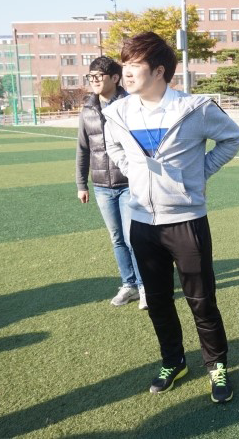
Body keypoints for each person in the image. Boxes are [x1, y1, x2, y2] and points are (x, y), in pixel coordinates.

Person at [103, 32, 239, 402]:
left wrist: (197, 174)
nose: (126, 72)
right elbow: (113, 147)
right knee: (158, 301)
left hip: (187, 221)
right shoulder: (118, 112)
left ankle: (216, 366)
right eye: (124, 64)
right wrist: (134, 174)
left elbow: (232, 138)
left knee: (202, 300)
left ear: (159, 71)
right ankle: (173, 361)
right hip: (142, 224)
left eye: (135, 65)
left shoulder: (194, 109)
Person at [76, 56, 145, 309]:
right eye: (90, 76)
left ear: (115, 78)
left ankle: (144, 286)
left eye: (99, 76)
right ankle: (129, 285)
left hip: (128, 183)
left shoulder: (131, 104)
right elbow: (83, 149)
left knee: (132, 237)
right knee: (116, 238)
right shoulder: (87, 109)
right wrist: (81, 184)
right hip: (102, 186)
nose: (93, 80)